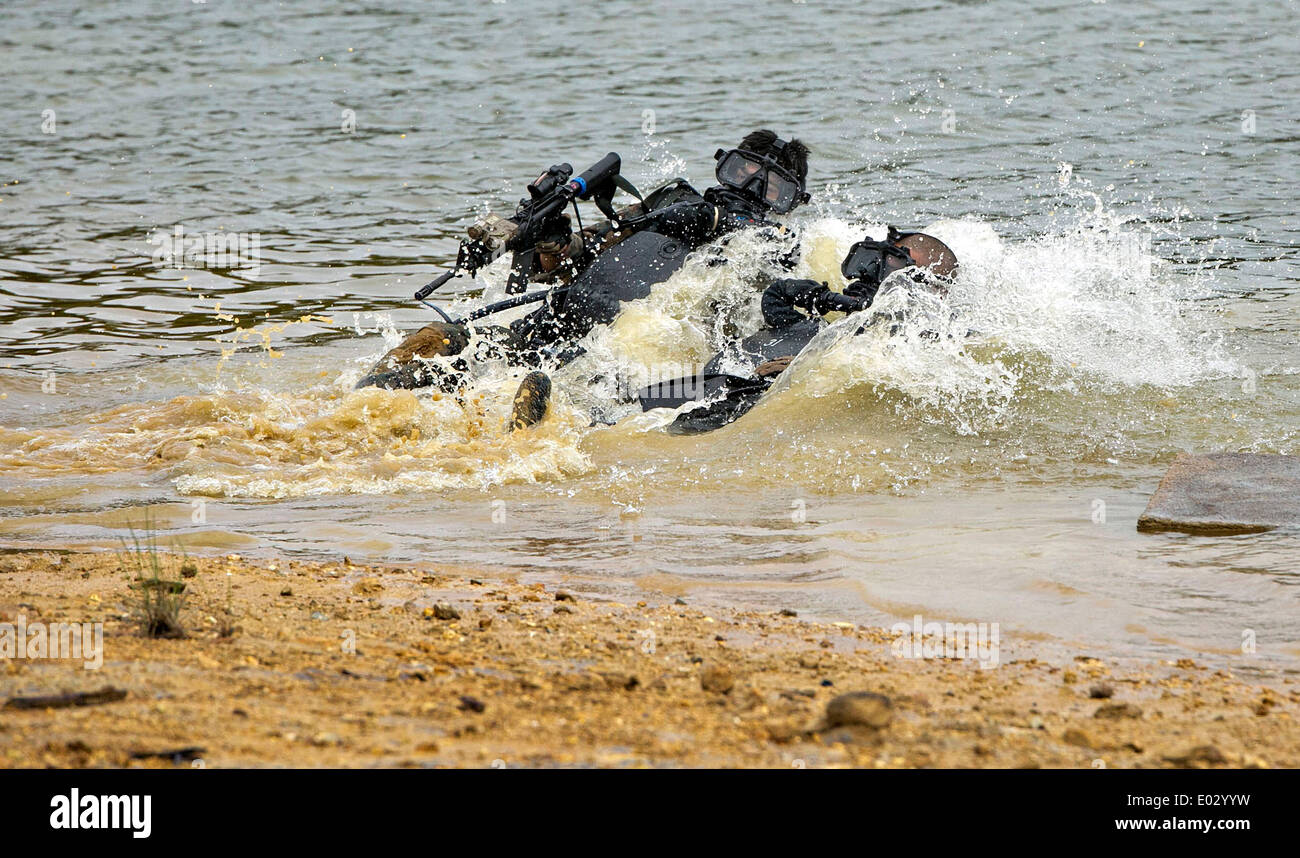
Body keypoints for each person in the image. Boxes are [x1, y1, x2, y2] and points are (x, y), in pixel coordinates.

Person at [359, 130, 813, 429]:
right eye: (744, 172)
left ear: (792, 202)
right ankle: (441, 363)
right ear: (724, 166)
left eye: (771, 188)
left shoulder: (772, 248)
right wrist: (551, 238)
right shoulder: (671, 202)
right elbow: (577, 255)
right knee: (500, 350)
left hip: (621, 337)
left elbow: (762, 326)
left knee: (548, 365)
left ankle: (510, 396)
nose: (750, 189)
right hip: (575, 306)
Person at [652, 227, 960, 435]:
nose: (875, 271)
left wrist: (801, 366)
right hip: (691, 390)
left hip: (738, 405)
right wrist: (822, 297)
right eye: (881, 260)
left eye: (896, 266)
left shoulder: (914, 344)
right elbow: (776, 295)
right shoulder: (810, 326)